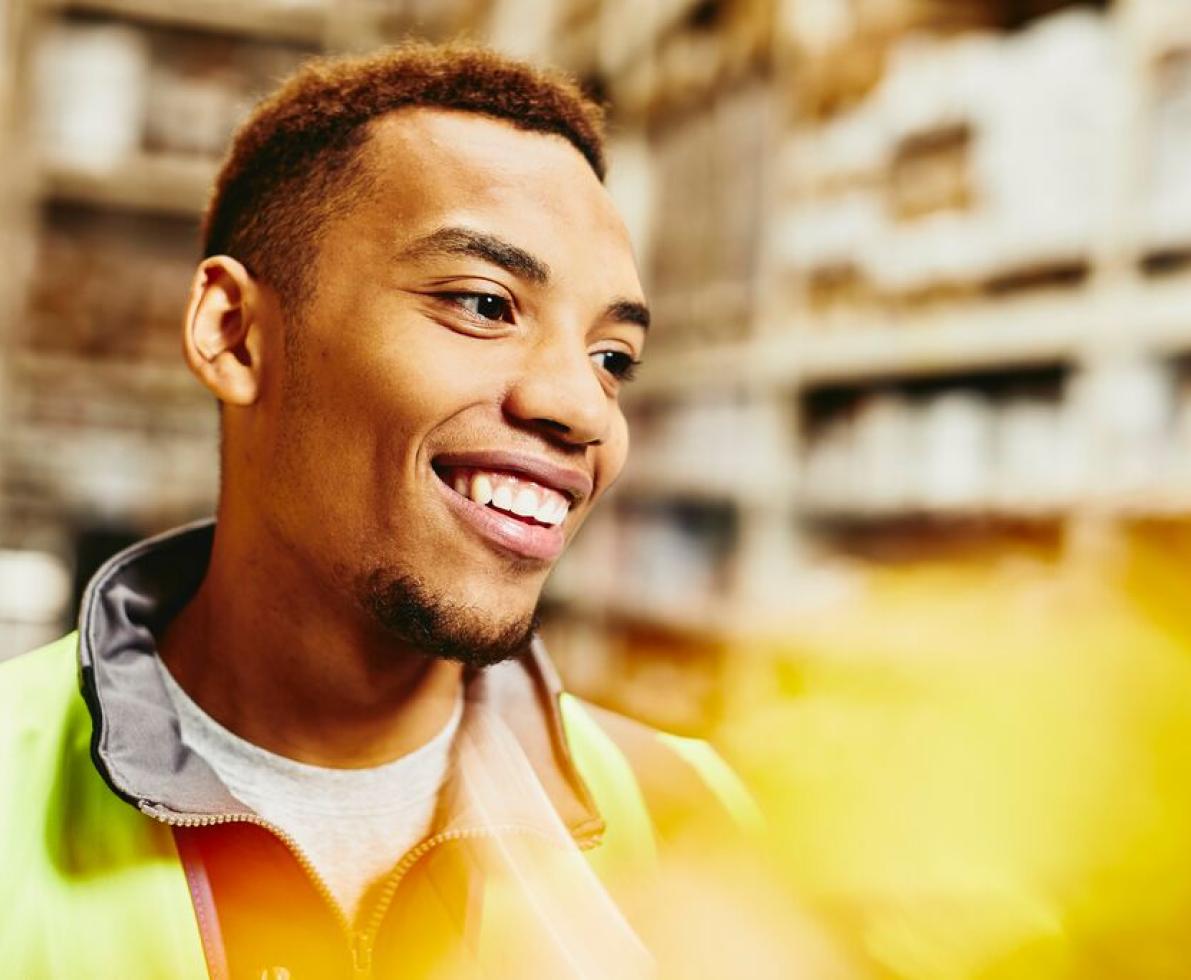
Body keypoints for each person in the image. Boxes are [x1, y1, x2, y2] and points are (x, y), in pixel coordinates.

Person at [0, 42, 755, 979]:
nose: (583, 407)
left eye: (613, 358)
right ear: (234, 335)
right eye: (484, 303)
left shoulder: (690, 818)